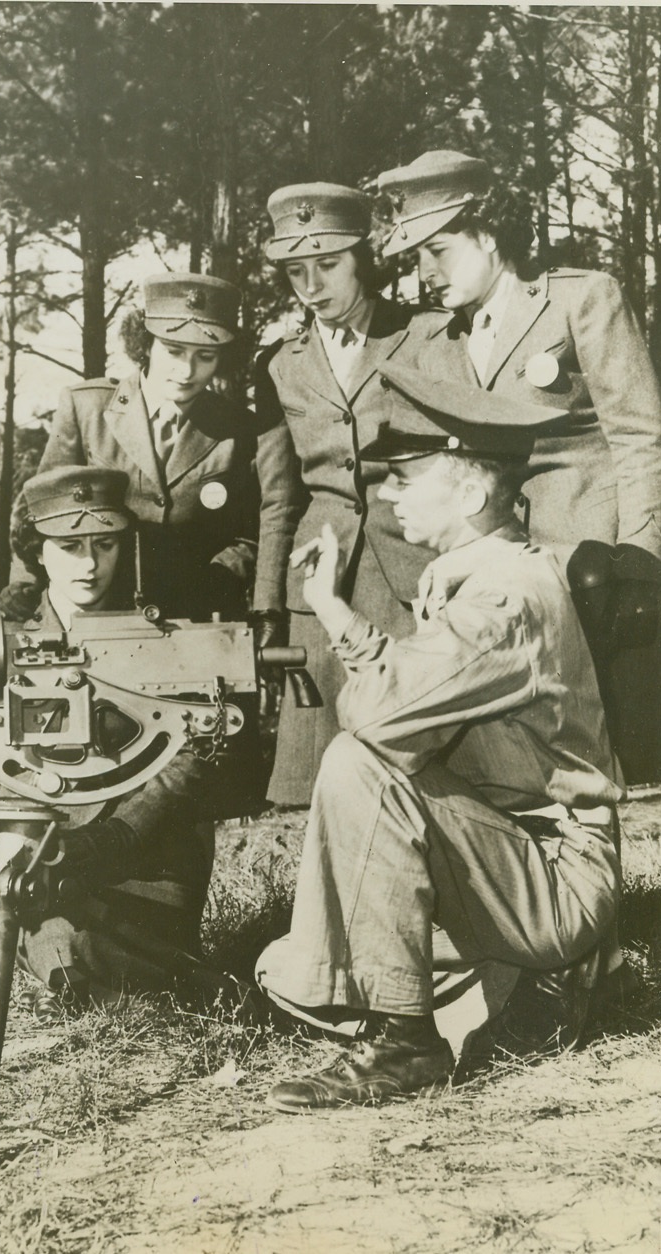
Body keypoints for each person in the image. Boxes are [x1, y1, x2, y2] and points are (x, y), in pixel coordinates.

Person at [256, 362, 623, 1111]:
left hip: (552, 877)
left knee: (357, 764)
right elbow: (412, 707)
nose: (386, 494)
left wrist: (342, 630)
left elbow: (382, 721)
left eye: (405, 478)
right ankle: (527, 987)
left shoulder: (504, 596)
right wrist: (332, 609)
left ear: (470, 492)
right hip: (501, 857)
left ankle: (408, 1040)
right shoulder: (476, 574)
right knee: (283, 967)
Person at [0, 466, 236, 1019]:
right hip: (47, 852)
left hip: (148, 857)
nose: (89, 564)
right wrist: (20, 832)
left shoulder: (165, 632)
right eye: (69, 546)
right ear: (38, 552)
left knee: (95, 957)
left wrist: (112, 838)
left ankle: (179, 984)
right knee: (70, 954)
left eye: (105, 544)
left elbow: (194, 759)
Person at [252, 183, 438, 807]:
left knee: (421, 759)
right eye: (296, 270)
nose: (311, 284)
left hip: (411, 575)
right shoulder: (278, 364)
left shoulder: (427, 335)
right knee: (328, 780)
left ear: (364, 258)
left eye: (327, 264)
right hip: (323, 585)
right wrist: (267, 607)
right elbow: (280, 498)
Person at [377, 149, 661, 558]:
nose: (425, 274)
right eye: (416, 258)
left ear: (487, 234)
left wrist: (641, 556)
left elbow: (640, 438)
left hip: (593, 565)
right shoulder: (439, 345)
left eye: (438, 251)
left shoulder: (581, 299)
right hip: (496, 572)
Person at [32, 273, 258, 622]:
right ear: (146, 345)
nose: (186, 370)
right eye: (174, 351)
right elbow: (41, 515)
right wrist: (24, 605)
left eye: (205, 356)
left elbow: (251, 534)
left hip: (198, 619)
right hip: (101, 614)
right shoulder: (87, 409)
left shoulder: (239, 429)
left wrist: (210, 585)